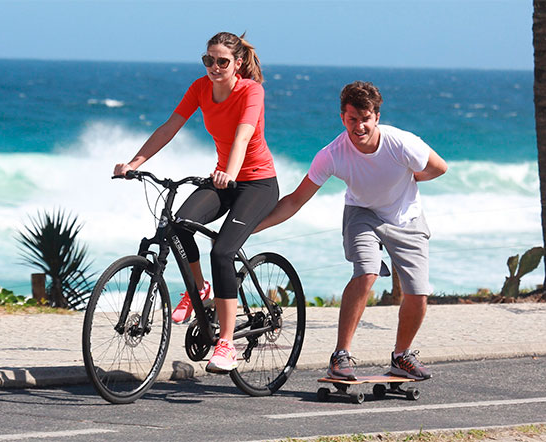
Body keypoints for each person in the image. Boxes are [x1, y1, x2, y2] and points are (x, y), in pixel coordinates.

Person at [255, 81, 447, 380]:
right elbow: (295, 200)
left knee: (418, 292)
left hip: (406, 217)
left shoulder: (402, 143)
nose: (359, 127)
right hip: (362, 214)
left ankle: (402, 356)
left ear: (376, 117)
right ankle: (340, 356)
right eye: (352, 119)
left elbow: (439, 167)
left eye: (365, 119)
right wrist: (253, 227)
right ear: (342, 118)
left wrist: (407, 182)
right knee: (366, 272)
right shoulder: (332, 154)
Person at [114, 32, 278, 373]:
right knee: (178, 224)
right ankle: (200, 287)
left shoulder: (251, 90)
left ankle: (227, 344)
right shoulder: (200, 88)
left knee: (222, 252)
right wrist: (134, 164)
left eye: (222, 62)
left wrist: (230, 173)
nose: (214, 67)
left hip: (257, 184)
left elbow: (243, 135)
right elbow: (170, 126)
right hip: (224, 178)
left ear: (237, 63)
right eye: (209, 60)